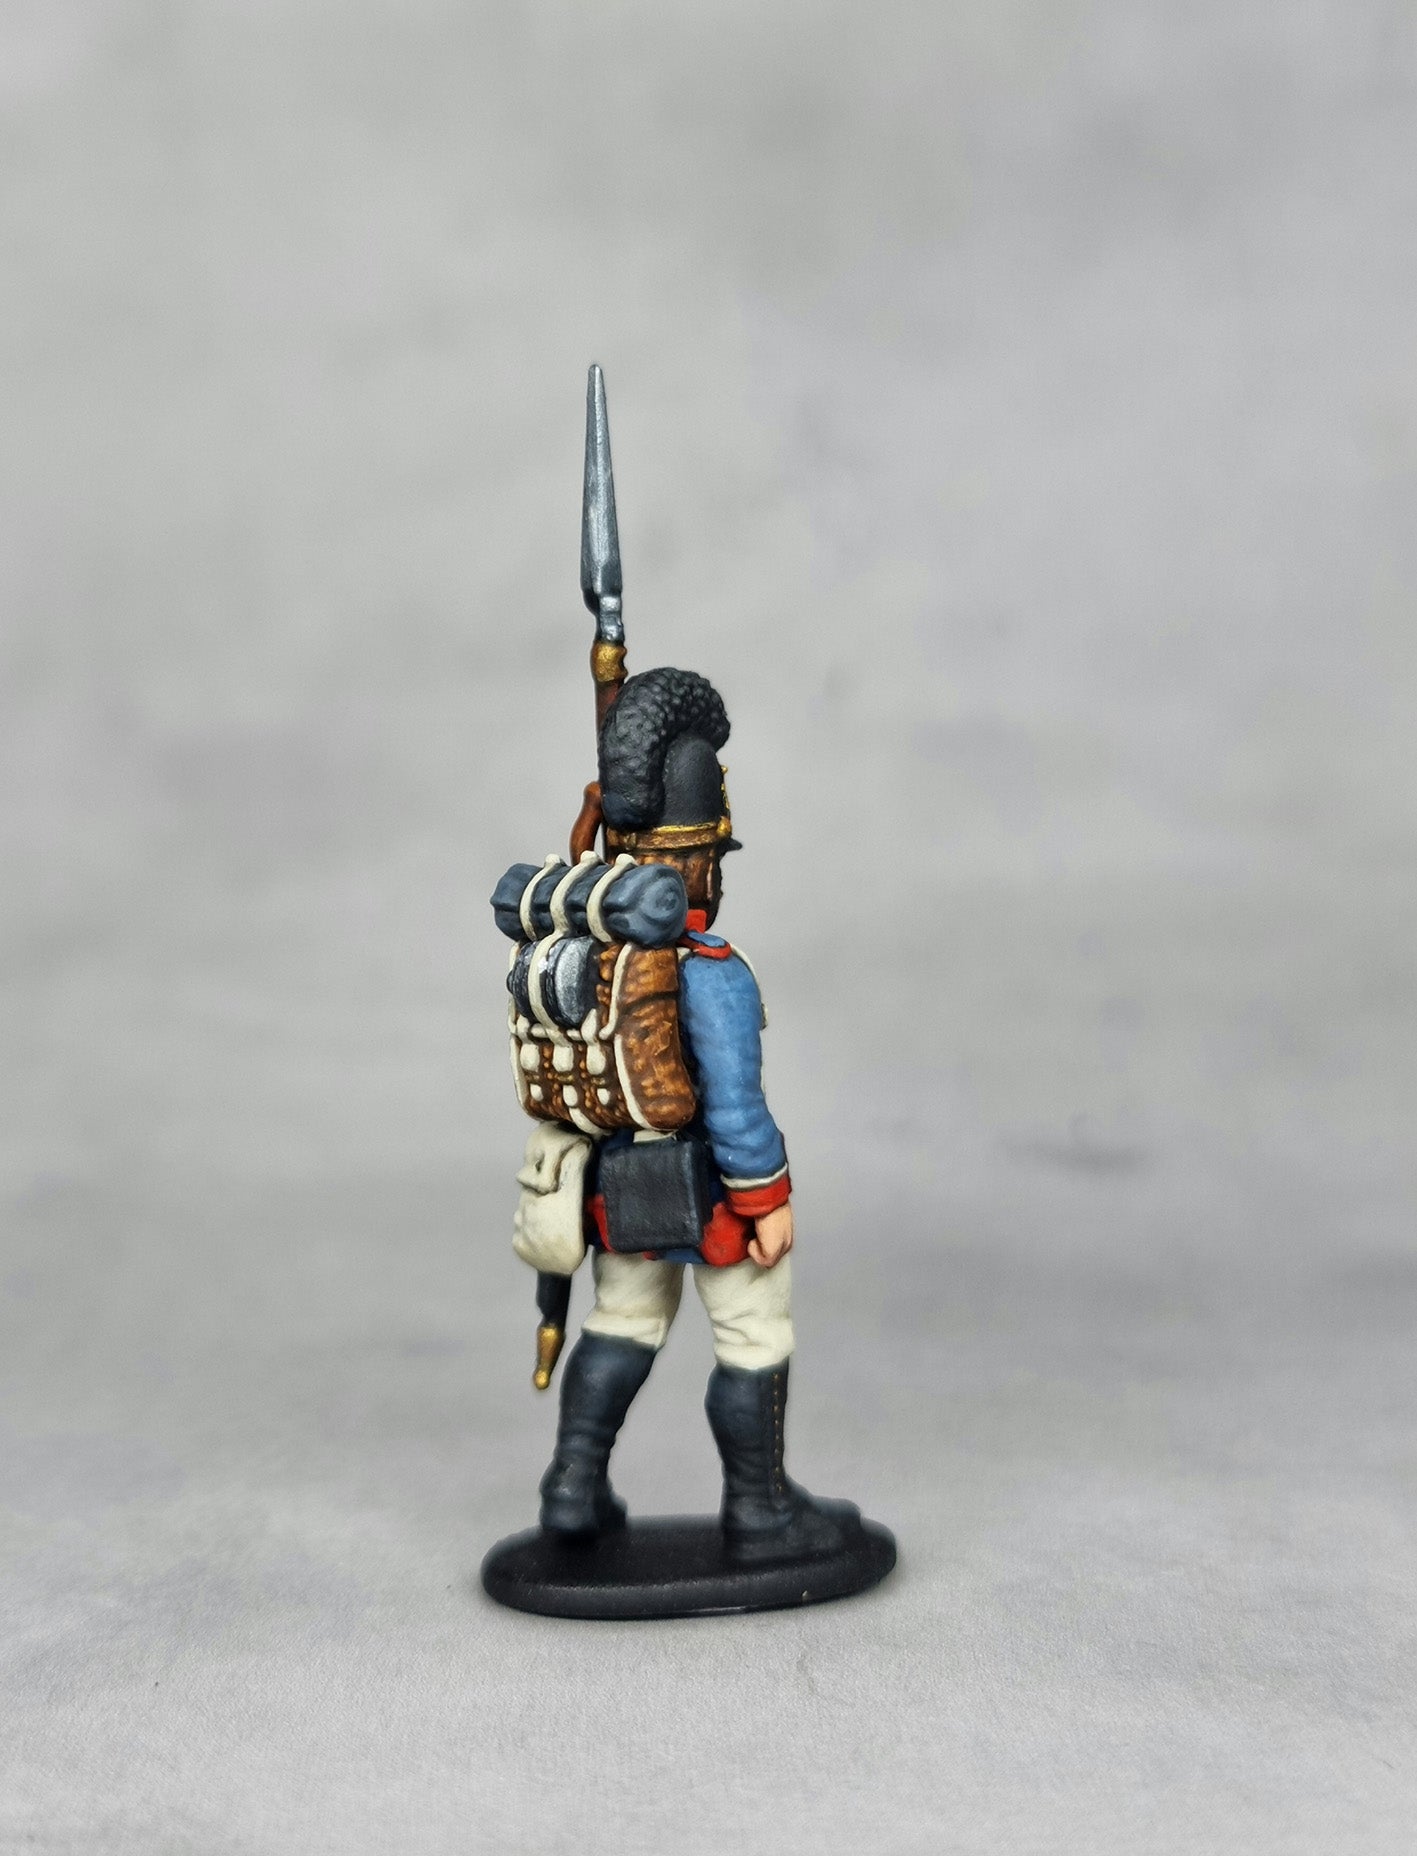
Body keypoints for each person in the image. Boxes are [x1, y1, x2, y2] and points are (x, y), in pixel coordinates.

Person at [536, 666, 860, 1565]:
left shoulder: (587, 949)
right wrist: (765, 1200)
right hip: (710, 1192)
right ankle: (759, 1512)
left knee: (623, 1323)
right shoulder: (710, 971)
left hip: (617, 1188)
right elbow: (736, 1105)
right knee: (754, 1333)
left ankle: (570, 1485)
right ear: (701, 862)